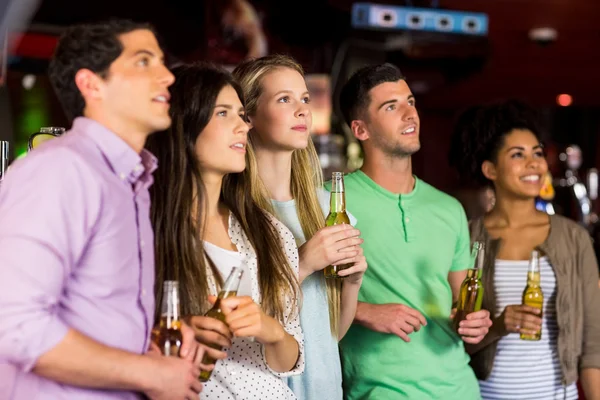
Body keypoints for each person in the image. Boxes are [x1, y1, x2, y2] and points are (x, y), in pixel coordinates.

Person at [0, 20, 205, 400]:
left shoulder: (132, 179)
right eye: (144, 62)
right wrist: (148, 373)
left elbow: (95, 310)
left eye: (162, 61)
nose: (167, 77)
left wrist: (149, 342)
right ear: (91, 84)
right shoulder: (62, 170)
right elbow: (14, 325)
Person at [145, 62, 304, 400]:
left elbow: (290, 359)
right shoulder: (142, 228)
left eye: (242, 114)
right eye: (223, 113)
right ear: (183, 125)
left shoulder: (271, 234)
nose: (243, 126)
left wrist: (269, 330)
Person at [334, 63, 492, 399]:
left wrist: (473, 320)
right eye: (391, 107)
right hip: (382, 390)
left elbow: (461, 303)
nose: (410, 113)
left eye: (410, 102)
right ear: (360, 129)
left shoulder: (449, 208)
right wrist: (363, 311)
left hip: (460, 387)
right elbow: (290, 295)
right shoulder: (330, 201)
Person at [233, 54, 367, 400]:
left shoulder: (328, 208)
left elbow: (332, 333)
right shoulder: (232, 213)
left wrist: (352, 283)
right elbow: (236, 326)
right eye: (284, 99)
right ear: (248, 117)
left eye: (305, 98)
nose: (302, 110)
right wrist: (304, 262)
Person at [449, 100, 600, 400]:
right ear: (490, 169)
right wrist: (501, 324)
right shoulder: (466, 238)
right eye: (518, 154)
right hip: (483, 395)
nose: (534, 164)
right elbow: (455, 338)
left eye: (538, 153)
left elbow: (593, 342)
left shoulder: (573, 237)